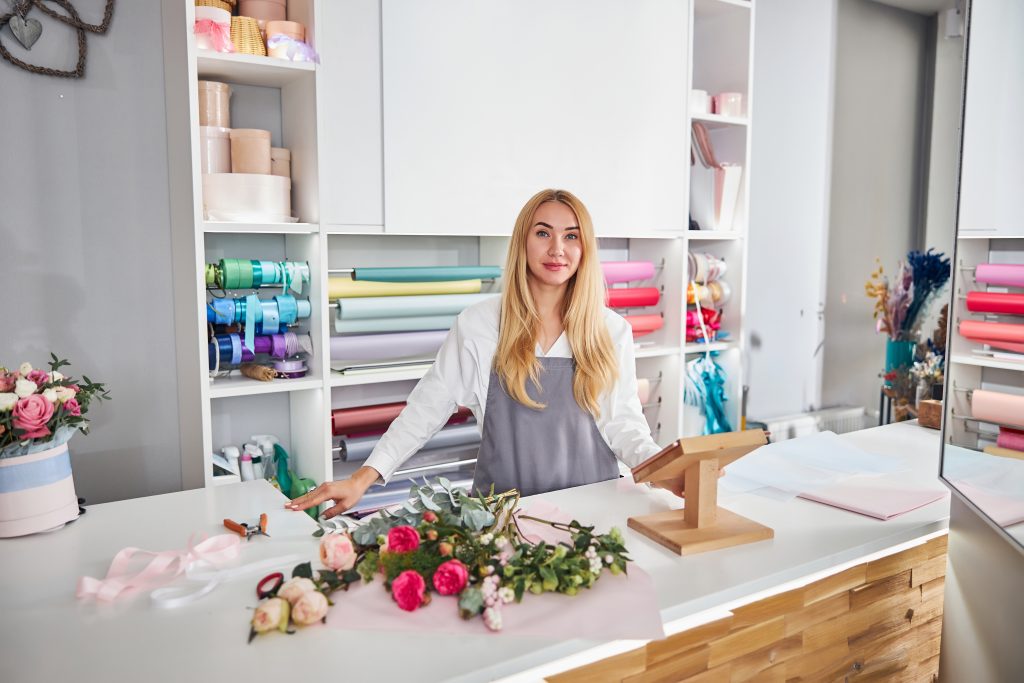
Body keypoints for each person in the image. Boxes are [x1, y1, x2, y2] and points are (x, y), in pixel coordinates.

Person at [287, 189, 664, 519]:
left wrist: (664, 470)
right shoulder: (480, 325)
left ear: (586, 248)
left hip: (591, 516)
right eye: (543, 233)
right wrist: (362, 478)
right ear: (523, 242)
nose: (557, 249)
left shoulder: (611, 331)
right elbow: (426, 409)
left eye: (571, 236)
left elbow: (624, 423)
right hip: (502, 520)